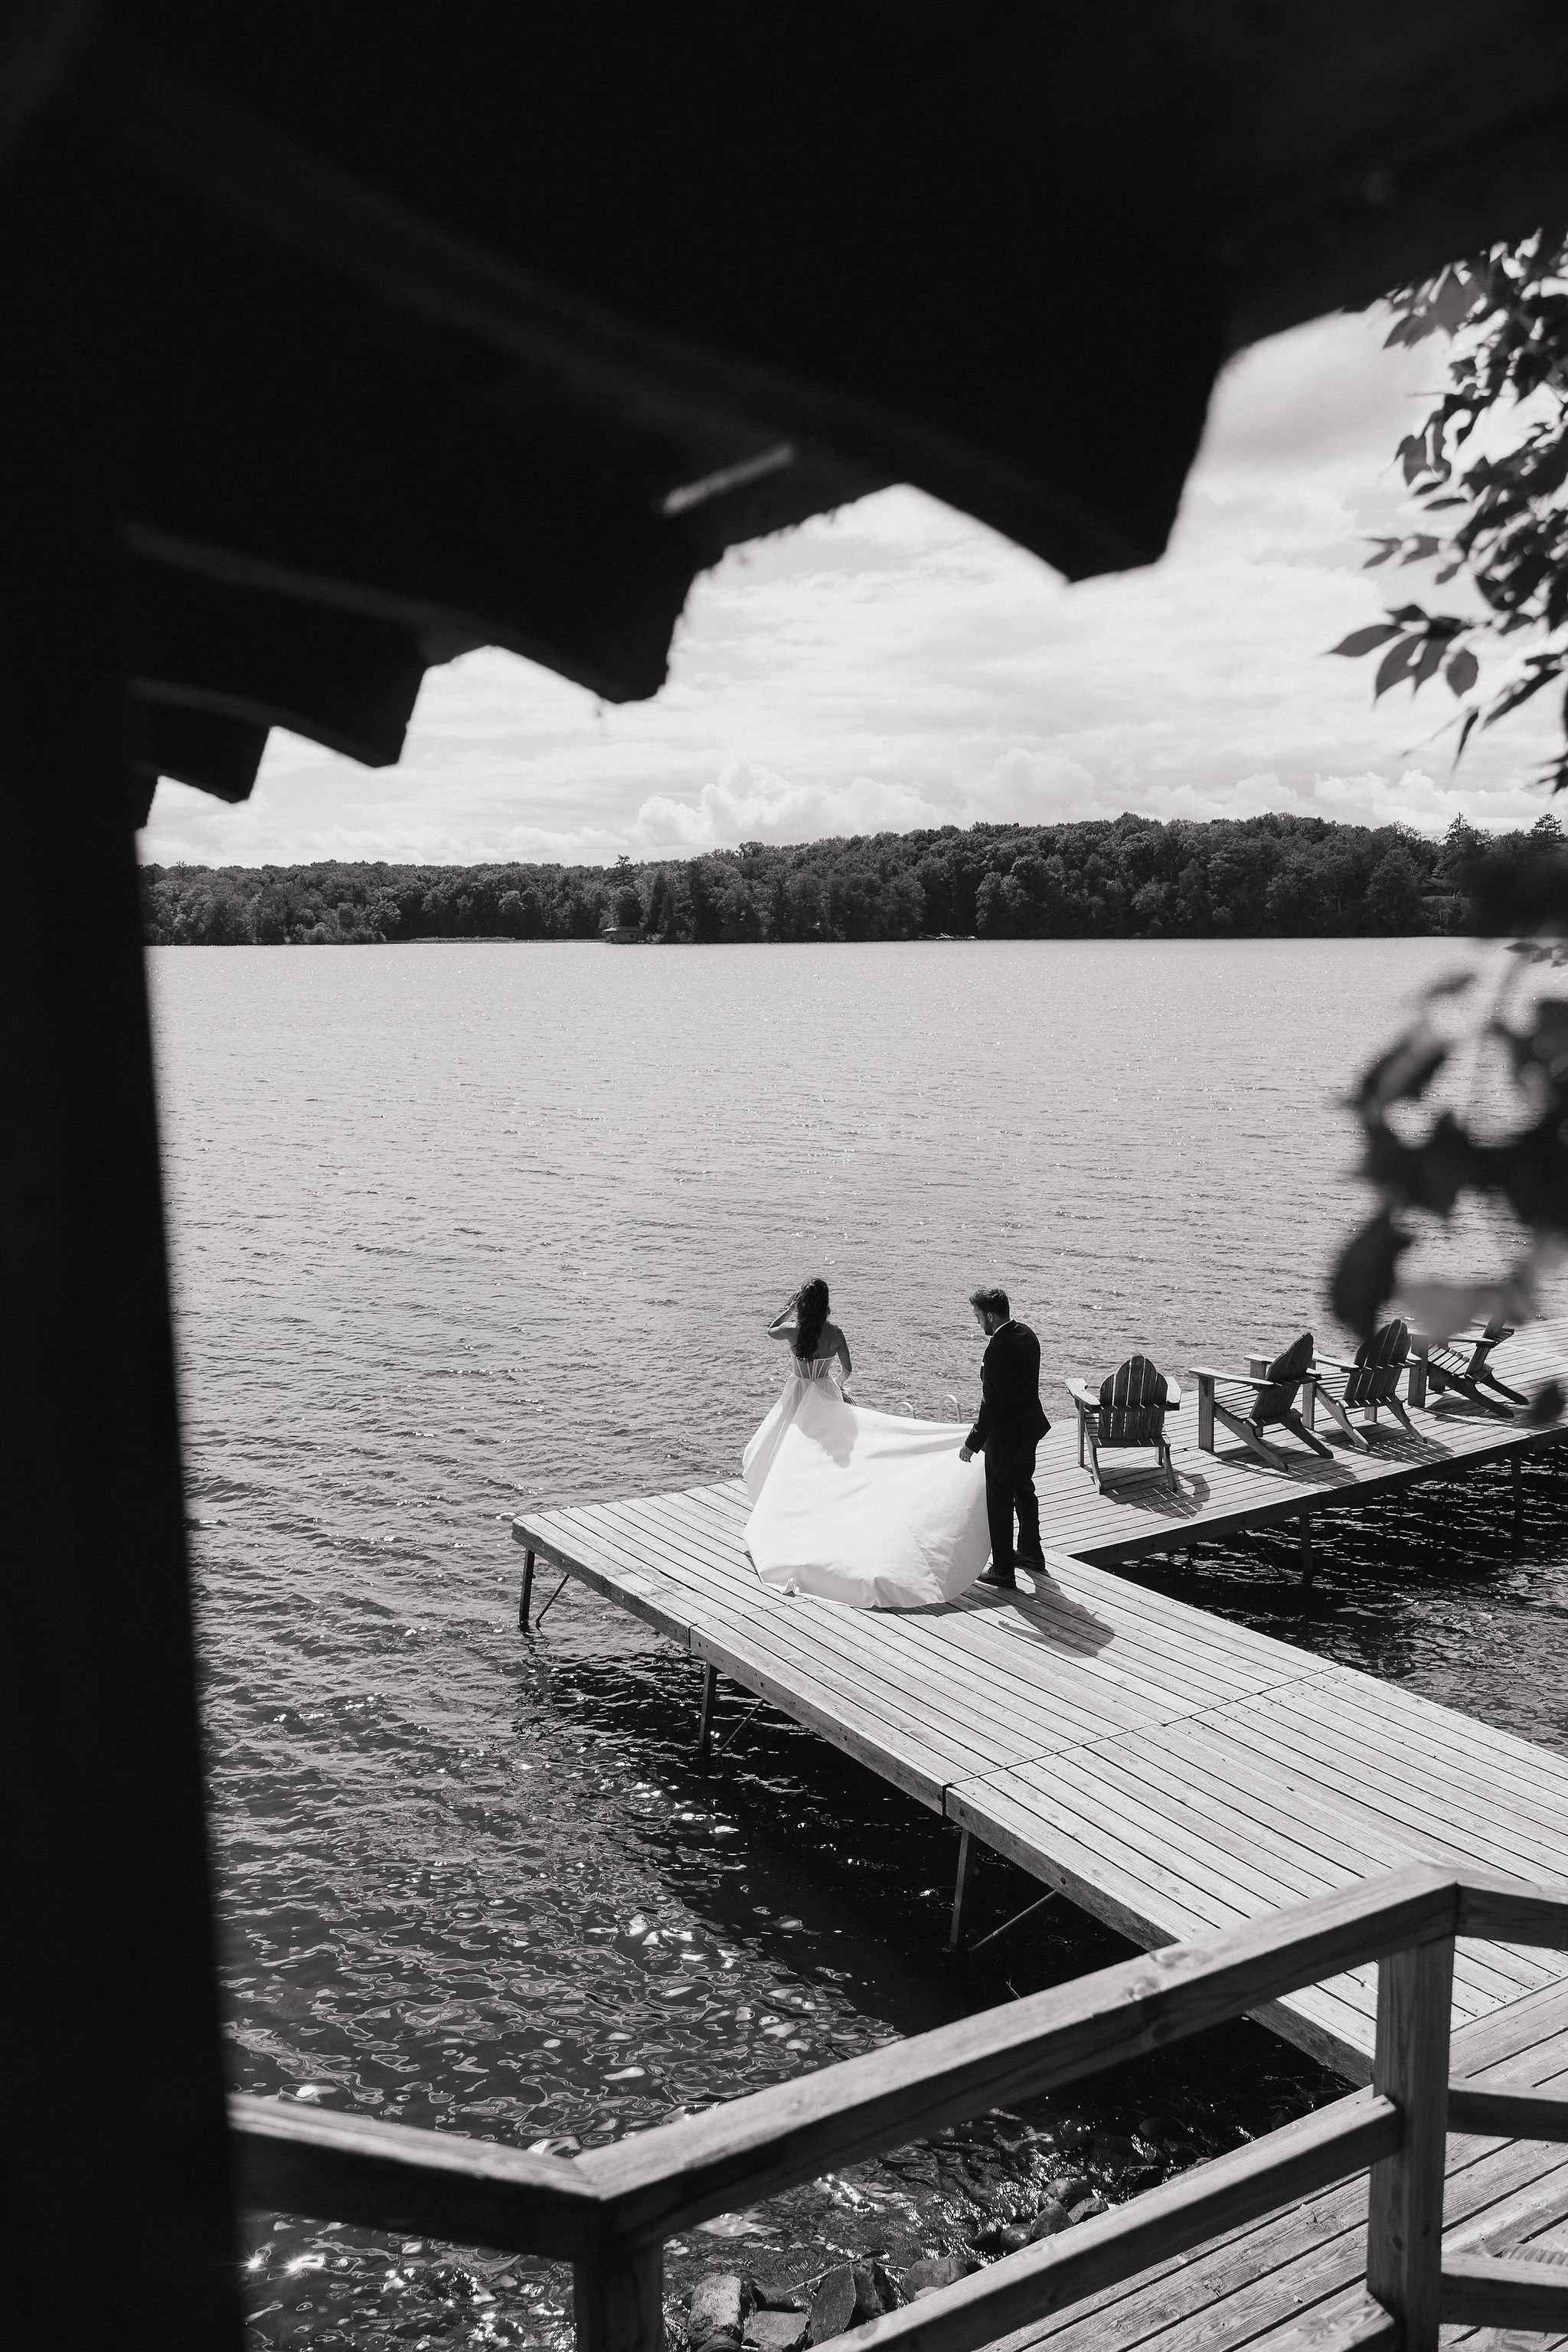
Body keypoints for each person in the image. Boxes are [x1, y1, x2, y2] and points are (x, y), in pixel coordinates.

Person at [742, 1277, 988, 1608]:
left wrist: (789, 1308)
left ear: (803, 1303)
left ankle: (785, 1508)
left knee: (784, 1453)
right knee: (830, 1458)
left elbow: (769, 1329)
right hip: (825, 1392)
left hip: (798, 1394)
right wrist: (835, 1387)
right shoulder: (835, 1333)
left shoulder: (792, 1331)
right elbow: (847, 1369)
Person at [959, 1284, 1050, 1590]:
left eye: (978, 1317)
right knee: (1024, 1488)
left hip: (1006, 1435)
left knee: (999, 1500)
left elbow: (992, 1403)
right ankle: (1031, 1552)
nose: (978, 1323)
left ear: (991, 1316)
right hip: (1029, 1428)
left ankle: (1002, 1569)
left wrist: (973, 1442)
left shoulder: (997, 1348)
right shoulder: (1027, 1334)